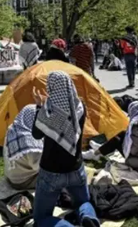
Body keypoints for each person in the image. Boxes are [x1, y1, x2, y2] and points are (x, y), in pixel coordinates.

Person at [31, 71, 100, 227]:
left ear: (51, 87)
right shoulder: (80, 106)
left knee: (41, 219)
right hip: (76, 167)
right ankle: (88, 217)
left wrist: (38, 107)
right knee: (83, 202)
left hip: (51, 172)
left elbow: (36, 134)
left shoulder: (48, 110)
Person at [86, 101, 138, 175]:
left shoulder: (137, 126)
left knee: (118, 139)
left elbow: (133, 150)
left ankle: (96, 153)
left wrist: (125, 146)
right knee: (122, 135)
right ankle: (100, 150)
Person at [4, 105, 43, 189]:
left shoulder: (12, 129)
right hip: (24, 181)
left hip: (12, 175)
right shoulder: (31, 144)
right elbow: (41, 167)